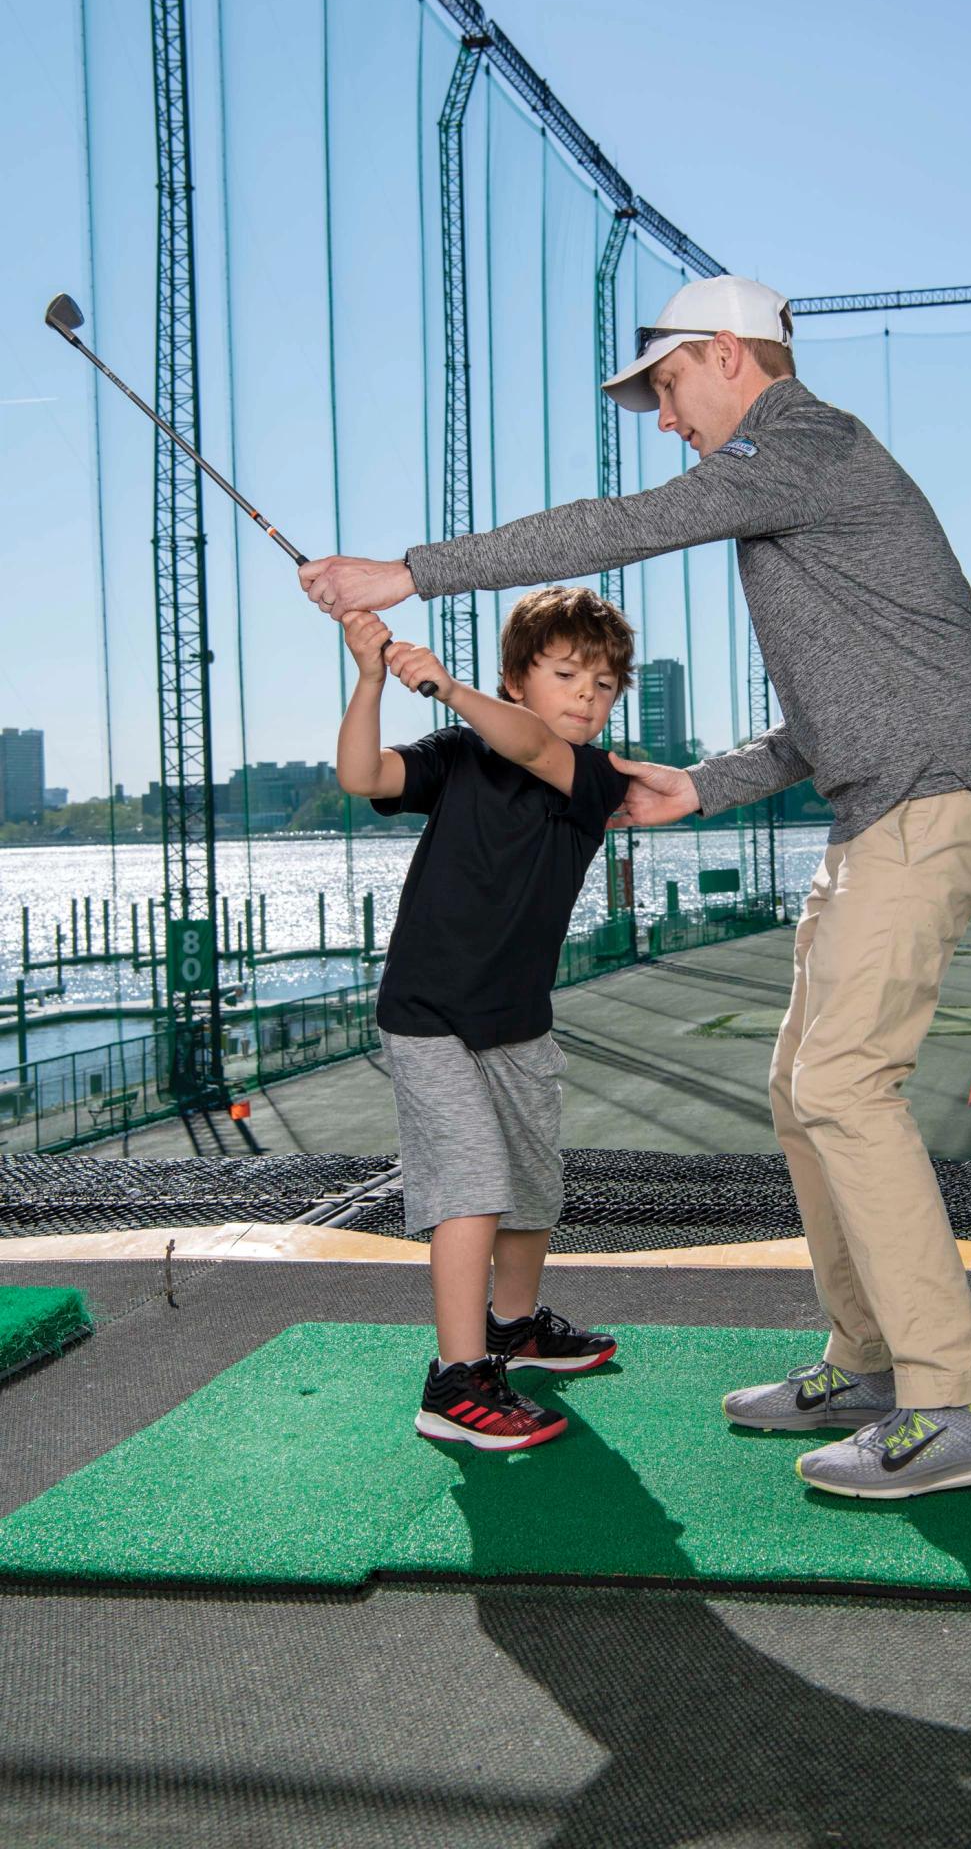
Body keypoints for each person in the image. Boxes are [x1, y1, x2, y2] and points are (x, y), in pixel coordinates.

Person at [305, 273, 971, 1502]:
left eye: (666, 386)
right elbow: (820, 723)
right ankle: (867, 1359)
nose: (663, 416)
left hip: (929, 798)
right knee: (805, 1093)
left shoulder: (803, 443)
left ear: (723, 357)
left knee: (844, 1087)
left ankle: (952, 1395)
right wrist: (704, 787)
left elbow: (617, 527)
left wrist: (408, 573)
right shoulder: (794, 494)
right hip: (878, 808)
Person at [336, 585, 632, 1450]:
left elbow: (533, 742)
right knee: (470, 1183)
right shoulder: (458, 753)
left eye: (606, 683)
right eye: (568, 672)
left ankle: (514, 1329)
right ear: (517, 676)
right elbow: (364, 776)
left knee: (534, 1187)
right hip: (427, 1014)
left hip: (519, 1020)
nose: (588, 693)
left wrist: (449, 686)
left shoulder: (592, 779)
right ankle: (457, 1379)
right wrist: (370, 679)